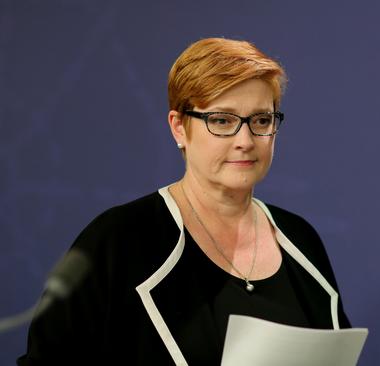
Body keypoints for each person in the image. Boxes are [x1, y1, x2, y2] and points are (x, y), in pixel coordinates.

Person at [17, 37, 351, 365]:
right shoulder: (119, 240)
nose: (246, 140)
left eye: (261, 120)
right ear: (179, 128)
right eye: (222, 120)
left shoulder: (299, 239)